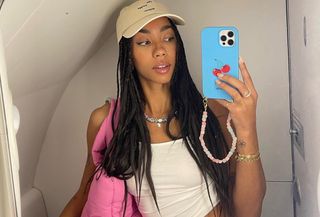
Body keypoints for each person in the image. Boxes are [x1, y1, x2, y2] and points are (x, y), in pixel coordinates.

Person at [60, 0, 266, 216]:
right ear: (128, 53)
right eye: (144, 42)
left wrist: (247, 128)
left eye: (168, 38)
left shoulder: (211, 111)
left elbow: (250, 211)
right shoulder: (107, 121)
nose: (160, 50)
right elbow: (82, 196)